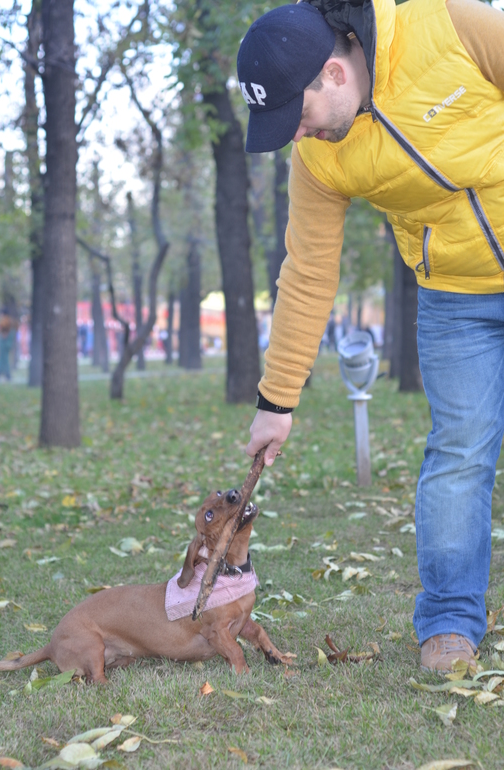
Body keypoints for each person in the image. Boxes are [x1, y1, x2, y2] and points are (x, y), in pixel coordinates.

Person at [237, 0, 504, 673]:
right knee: (460, 452)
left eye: (296, 116)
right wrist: (277, 403)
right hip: (456, 301)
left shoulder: (453, 28)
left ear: (333, 72)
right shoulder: (320, 160)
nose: (295, 137)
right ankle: (448, 623)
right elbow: (307, 272)